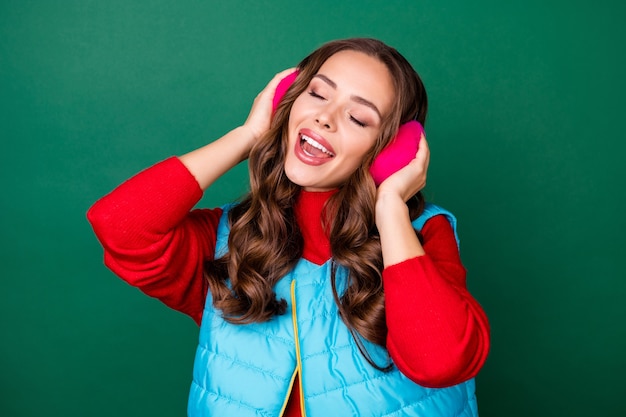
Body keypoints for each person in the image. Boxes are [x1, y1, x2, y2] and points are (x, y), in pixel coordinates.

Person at [88, 38, 490, 416]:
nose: (325, 117)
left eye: (357, 117)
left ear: (391, 151)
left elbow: (440, 362)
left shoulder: (420, 234)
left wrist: (389, 207)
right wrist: (247, 135)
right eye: (317, 93)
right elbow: (120, 226)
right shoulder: (232, 236)